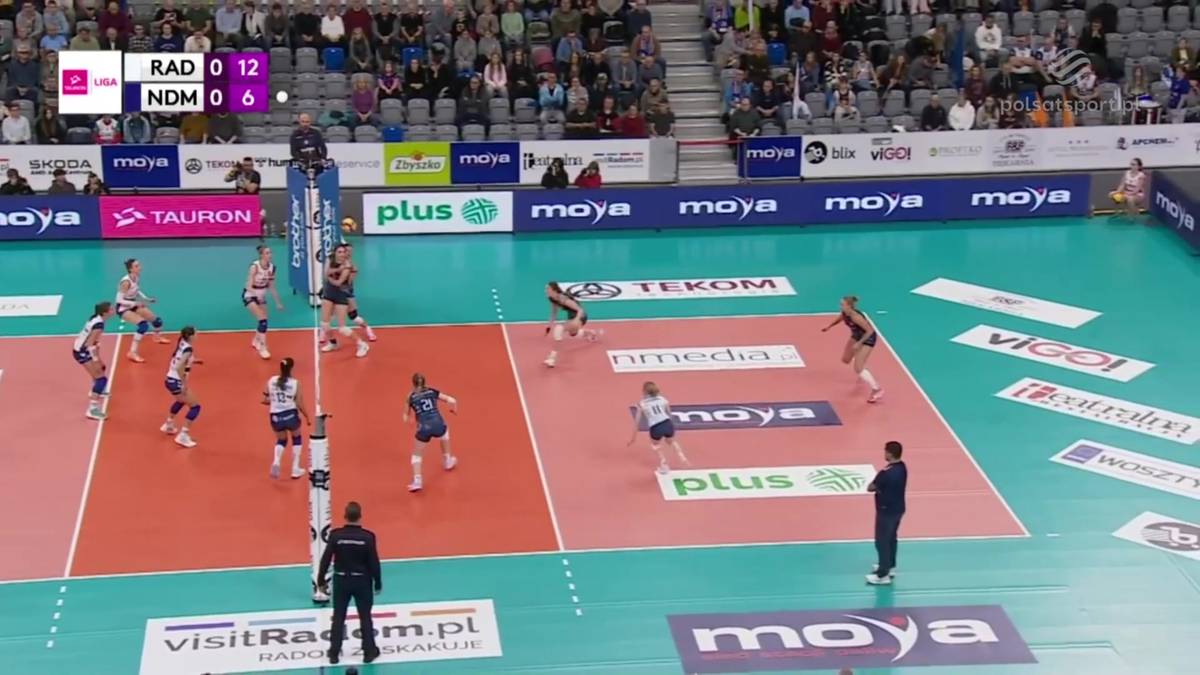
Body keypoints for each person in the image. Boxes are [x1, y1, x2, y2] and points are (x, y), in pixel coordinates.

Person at [317, 501, 382, 665]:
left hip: (341, 580)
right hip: (362, 581)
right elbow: (374, 562)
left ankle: (334, 653)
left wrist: (320, 580)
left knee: (338, 616)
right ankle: (369, 652)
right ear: (360, 516)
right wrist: (378, 582)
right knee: (365, 616)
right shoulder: (368, 537)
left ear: (345, 516)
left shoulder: (336, 536)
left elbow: (326, 559)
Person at [402, 373, 459, 492]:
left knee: (417, 454)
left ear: (413, 383)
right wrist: (453, 409)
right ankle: (448, 460)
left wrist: (409, 421)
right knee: (445, 432)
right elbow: (452, 400)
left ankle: (417, 481)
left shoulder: (410, 396)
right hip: (438, 423)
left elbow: (405, 416)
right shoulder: (432, 391)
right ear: (424, 382)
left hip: (424, 428)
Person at [821, 295, 883, 403]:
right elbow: (840, 318)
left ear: (849, 306)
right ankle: (862, 365)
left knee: (858, 368)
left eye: (842, 304)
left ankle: (877, 389)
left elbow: (870, 331)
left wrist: (859, 343)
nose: (840, 306)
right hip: (856, 336)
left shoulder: (856, 317)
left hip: (868, 338)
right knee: (846, 359)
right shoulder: (845, 312)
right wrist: (829, 326)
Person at [263, 357, 311, 479]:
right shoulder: (295, 383)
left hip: (275, 416)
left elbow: (266, 399)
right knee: (296, 438)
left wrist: (272, 400)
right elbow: (299, 402)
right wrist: (307, 416)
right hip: (290, 415)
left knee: (282, 440)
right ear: (291, 368)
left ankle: (276, 461)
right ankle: (295, 468)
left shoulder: (271, 380)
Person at [866, 441, 907, 585]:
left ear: (889, 453)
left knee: (882, 541)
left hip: (886, 511)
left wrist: (878, 488)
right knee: (891, 538)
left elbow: (870, 487)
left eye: (885, 451)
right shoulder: (903, 468)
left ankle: (883, 574)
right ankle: (890, 565)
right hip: (898, 509)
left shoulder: (885, 473)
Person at [628, 381, 689, 475]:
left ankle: (664, 464)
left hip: (655, 427)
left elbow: (637, 422)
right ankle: (682, 456)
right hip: (667, 423)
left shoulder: (642, 404)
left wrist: (633, 438)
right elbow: (670, 414)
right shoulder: (663, 399)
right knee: (671, 441)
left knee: (655, 445)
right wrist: (672, 426)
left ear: (644, 391)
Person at [320, 245, 370, 358]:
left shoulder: (348, 265)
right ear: (335, 253)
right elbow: (325, 273)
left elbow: (338, 282)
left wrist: (329, 277)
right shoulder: (330, 259)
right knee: (325, 324)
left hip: (340, 296)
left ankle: (362, 344)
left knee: (342, 328)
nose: (342, 254)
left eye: (343, 252)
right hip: (328, 294)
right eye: (339, 252)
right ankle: (333, 343)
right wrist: (337, 270)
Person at [116, 259, 169, 363]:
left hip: (133, 303)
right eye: (136, 266)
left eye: (139, 265)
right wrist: (135, 304)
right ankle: (132, 352)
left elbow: (136, 290)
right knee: (143, 326)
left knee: (157, 321)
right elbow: (119, 300)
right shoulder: (125, 282)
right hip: (123, 308)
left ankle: (156, 337)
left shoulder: (136, 277)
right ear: (130, 269)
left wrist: (146, 298)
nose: (140, 267)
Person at [74, 302, 116, 421]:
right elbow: (89, 344)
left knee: (101, 370)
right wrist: (96, 359)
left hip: (81, 348)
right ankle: (92, 410)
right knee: (101, 380)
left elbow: (93, 341)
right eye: (111, 309)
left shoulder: (96, 318)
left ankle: (97, 391)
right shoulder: (98, 325)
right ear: (105, 313)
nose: (113, 310)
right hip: (82, 351)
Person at [543, 281, 600, 367]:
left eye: (548, 288)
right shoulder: (552, 299)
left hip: (580, 316)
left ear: (554, 290)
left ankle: (552, 358)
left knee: (558, 329)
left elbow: (580, 310)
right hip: (572, 316)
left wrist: (577, 320)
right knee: (573, 333)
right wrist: (549, 326)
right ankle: (592, 333)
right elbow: (554, 313)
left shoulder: (563, 299)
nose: (546, 290)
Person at [162, 326, 202, 448]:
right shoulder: (188, 349)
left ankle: (169, 424)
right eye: (196, 333)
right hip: (176, 381)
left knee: (181, 401)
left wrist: (193, 361)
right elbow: (179, 366)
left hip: (169, 379)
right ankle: (183, 435)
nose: (198, 334)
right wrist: (184, 383)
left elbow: (179, 357)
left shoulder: (181, 342)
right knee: (195, 407)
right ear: (190, 336)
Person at [243, 245, 284, 359]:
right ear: (261, 255)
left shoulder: (272, 268)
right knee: (262, 321)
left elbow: (271, 286)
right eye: (267, 253)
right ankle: (263, 347)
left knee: (264, 319)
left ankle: (256, 340)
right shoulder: (255, 267)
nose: (270, 255)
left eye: (270, 252)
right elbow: (248, 285)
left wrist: (278, 302)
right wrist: (256, 296)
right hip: (250, 294)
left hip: (261, 295)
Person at [342, 243, 377, 342]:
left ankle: (368, 329)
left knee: (353, 316)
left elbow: (348, 282)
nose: (348, 253)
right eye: (346, 251)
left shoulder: (352, 266)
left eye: (350, 251)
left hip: (346, 292)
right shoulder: (336, 262)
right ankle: (324, 334)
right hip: (334, 293)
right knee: (328, 315)